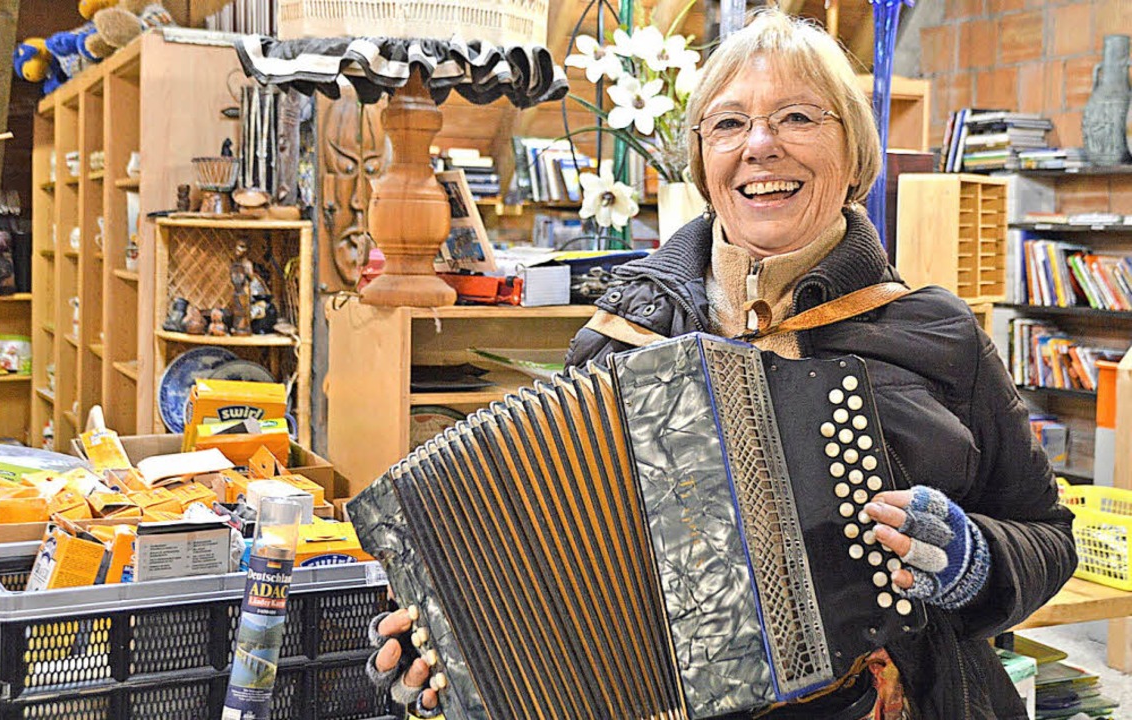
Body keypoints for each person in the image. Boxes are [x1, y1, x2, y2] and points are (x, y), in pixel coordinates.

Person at [367, 10, 1076, 719]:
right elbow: (533, 562)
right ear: (704, 163)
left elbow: (1046, 536)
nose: (760, 146)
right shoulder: (622, 337)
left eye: (797, 117)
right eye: (728, 124)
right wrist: (448, 654)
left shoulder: (935, 331)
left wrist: (972, 561)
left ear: (854, 152)